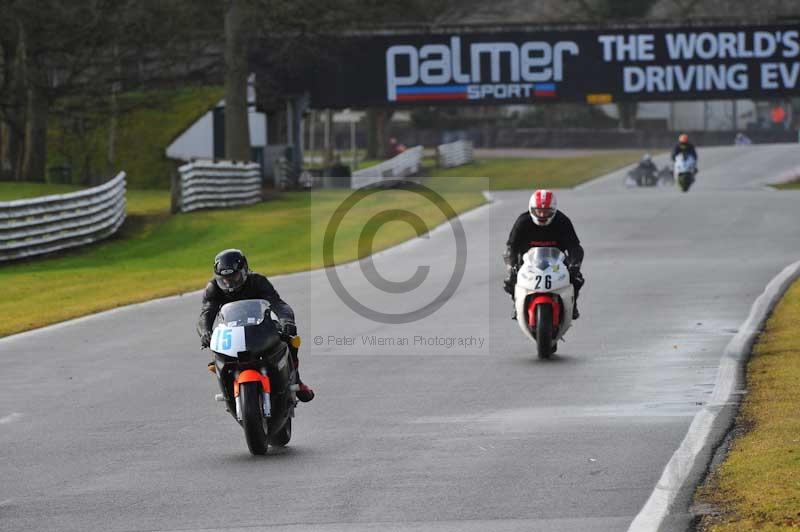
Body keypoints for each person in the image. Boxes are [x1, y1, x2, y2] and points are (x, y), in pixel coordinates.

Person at [197, 249, 314, 402]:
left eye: (234, 276)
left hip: (260, 325)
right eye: (224, 279)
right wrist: (205, 331)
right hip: (231, 331)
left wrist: (287, 321)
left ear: (244, 271)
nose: (229, 282)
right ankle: (227, 389)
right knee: (215, 352)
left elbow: (278, 304)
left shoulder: (258, 281)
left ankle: (296, 380)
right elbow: (206, 313)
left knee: (289, 340)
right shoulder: (213, 288)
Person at [503, 190, 585, 320]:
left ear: (554, 210)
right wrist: (511, 265)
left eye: (546, 211)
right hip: (528, 263)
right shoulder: (523, 221)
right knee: (509, 281)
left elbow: (575, 247)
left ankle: (572, 306)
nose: (542, 215)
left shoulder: (562, 221)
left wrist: (574, 264)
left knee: (577, 279)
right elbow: (511, 247)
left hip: (557, 263)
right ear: (531, 209)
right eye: (538, 211)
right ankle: (516, 303)